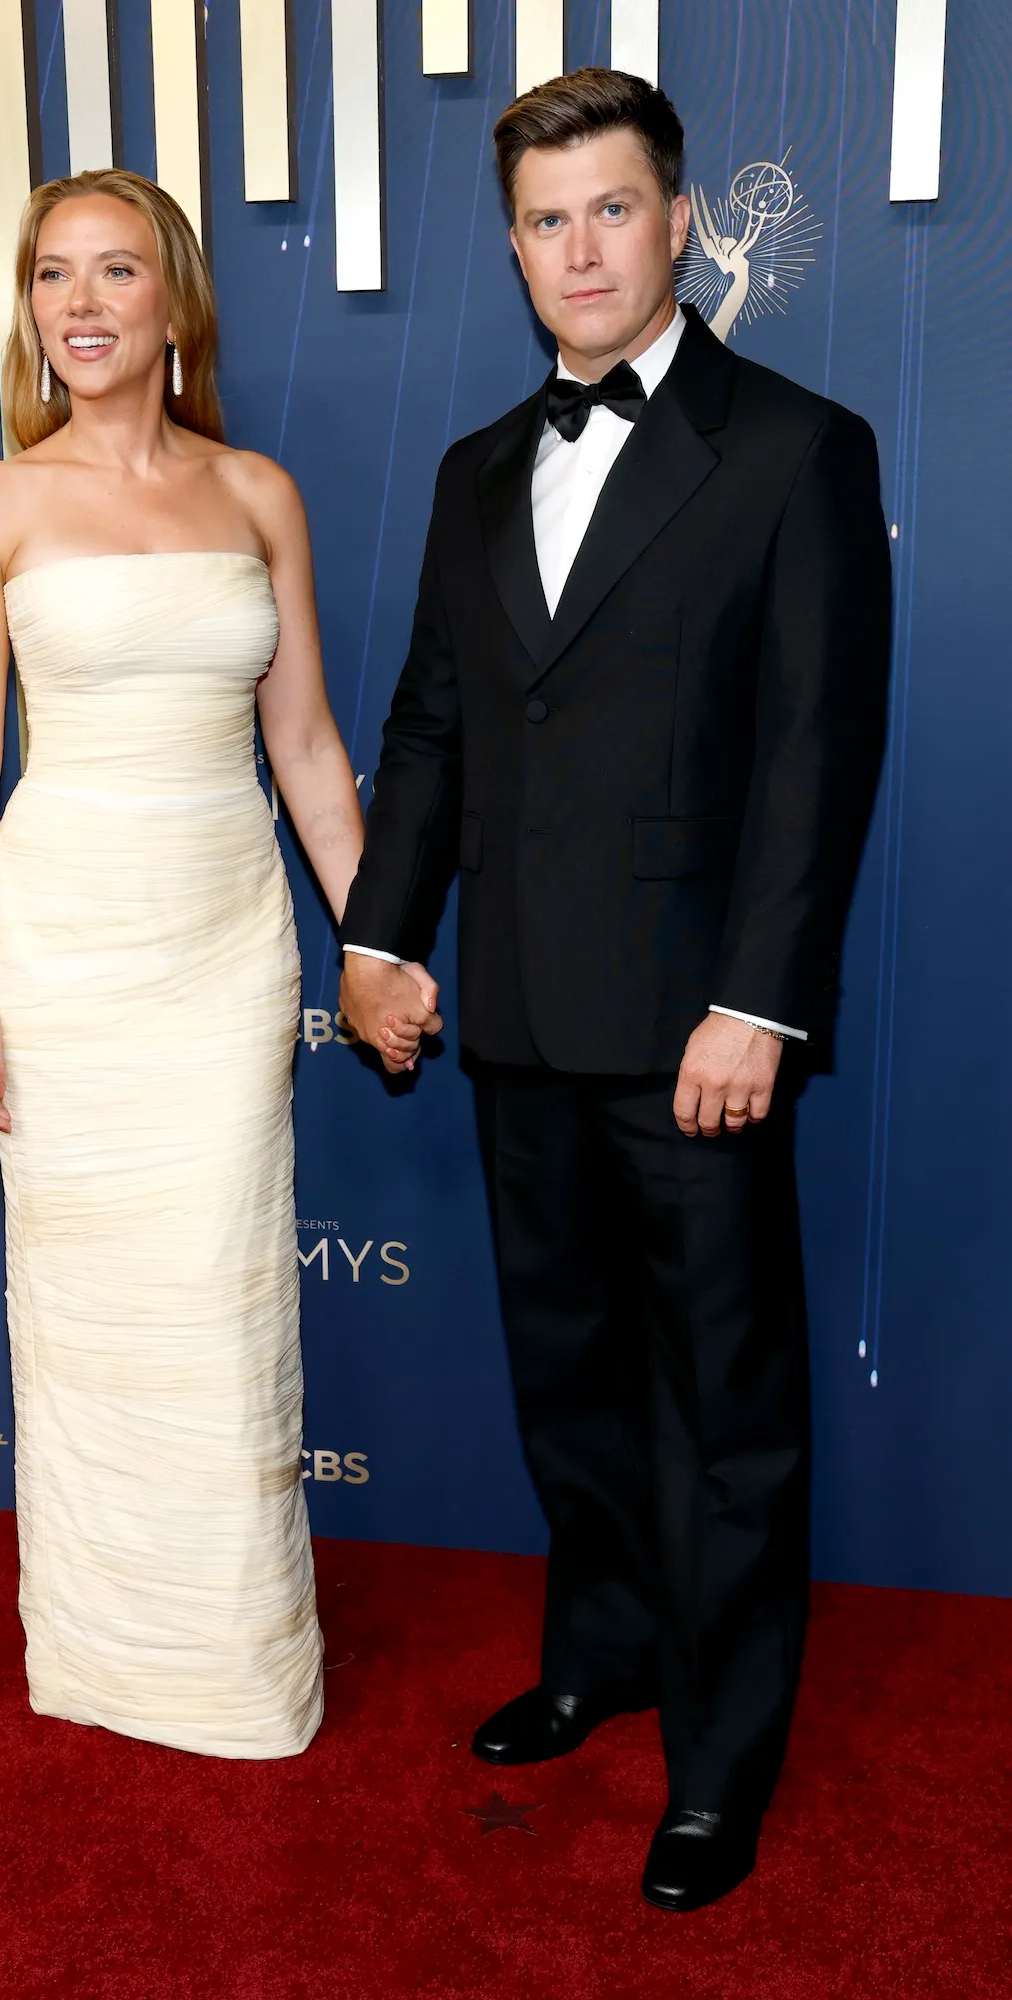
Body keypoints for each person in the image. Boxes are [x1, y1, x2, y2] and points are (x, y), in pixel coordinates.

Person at [340, 71, 891, 1906]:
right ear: (513, 249)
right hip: (512, 1011)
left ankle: (723, 1761)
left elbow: (817, 753)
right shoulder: (473, 469)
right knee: (568, 1373)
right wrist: (379, 937)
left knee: (724, 1406)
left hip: (696, 1028)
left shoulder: (798, 447)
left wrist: (762, 1001)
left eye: (612, 208)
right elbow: (434, 724)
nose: (580, 250)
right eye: (545, 220)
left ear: (680, 220)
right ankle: (605, 1652)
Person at [0, 168, 431, 1759]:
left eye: (116, 271)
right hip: (63, 944)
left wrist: (372, 940)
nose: (80, 304)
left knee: (217, 1298)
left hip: (220, 945)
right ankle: (105, 1651)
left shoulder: (258, 493)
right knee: (87, 1308)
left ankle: (232, 1663)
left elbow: (309, 748)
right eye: (52, 275)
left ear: (175, 302)